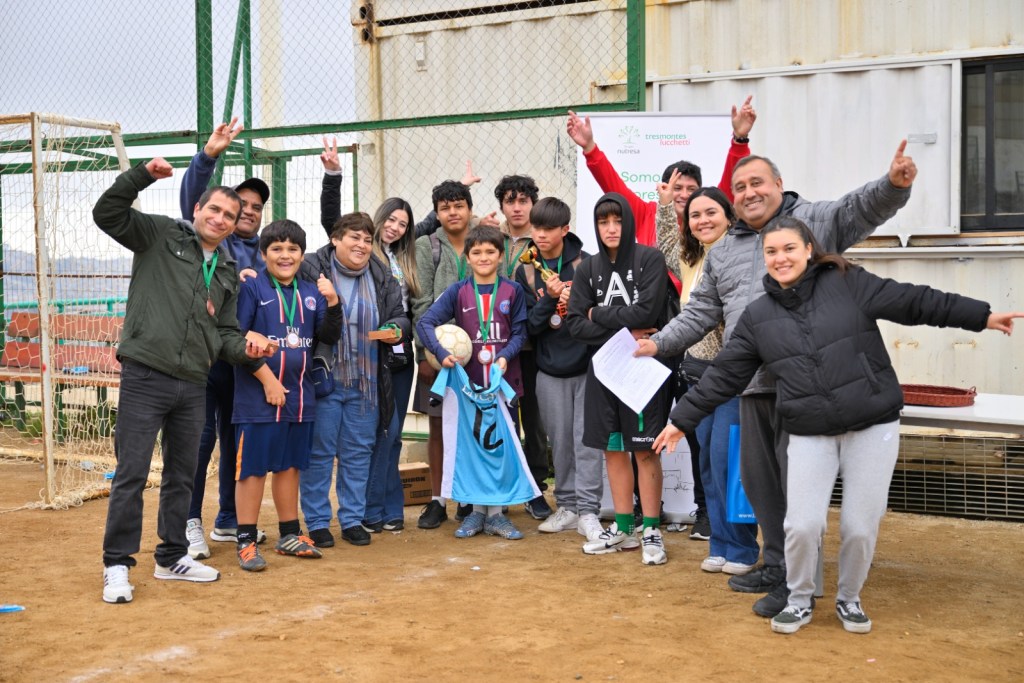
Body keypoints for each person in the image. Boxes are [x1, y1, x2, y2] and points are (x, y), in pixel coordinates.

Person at [653, 216, 1023, 634]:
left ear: (809, 249)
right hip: (809, 428)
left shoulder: (848, 282)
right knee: (802, 524)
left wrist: (982, 316)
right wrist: (681, 420)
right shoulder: (758, 317)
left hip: (871, 424)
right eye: (771, 252)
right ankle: (798, 598)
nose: (780, 258)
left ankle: (849, 598)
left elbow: (916, 301)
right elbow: (724, 375)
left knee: (859, 528)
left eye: (789, 248)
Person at [638, 141, 918, 617]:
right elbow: (702, 311)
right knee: (760, 485)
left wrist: (893, 185)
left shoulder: (813, 221)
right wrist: (659, 342)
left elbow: (859, 209)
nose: (749, 193)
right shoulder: (724, 251)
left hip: (801, 385)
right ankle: (775, 563)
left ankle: (800, 582)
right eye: (740, 186)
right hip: (750, 386)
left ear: (778, 186)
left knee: (798, 490)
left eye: (757, 183)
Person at [94, 158, 272, 604]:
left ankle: (172, 556)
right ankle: (117, 565)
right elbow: (106, 213)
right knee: (132, 473)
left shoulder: (228, 270)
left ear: (235, 226)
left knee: (182, 475)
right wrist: (143, 176)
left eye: (229, 216)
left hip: (193, 381)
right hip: (145, 373)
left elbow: (226, 334)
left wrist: (249, 348)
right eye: (214, 210)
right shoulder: (160, 235)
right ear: (197, 209)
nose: (220, 219)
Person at [179, 118, 273, 557]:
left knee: (237, 443)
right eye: (243, 204)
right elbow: (190, 198)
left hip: (241, 365)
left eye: (256, 206)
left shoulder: (269, 250)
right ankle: (188, 521)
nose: (249, 211)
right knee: (198, 443)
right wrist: (209, 154)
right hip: (204, 362)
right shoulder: (210, 241)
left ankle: (230, 520)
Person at [654, 184, 759, 570]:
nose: (702, 220)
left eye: (711, 212)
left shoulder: (746, 257)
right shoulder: (692, 258)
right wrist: (666, 207)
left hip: (731, 378)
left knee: (728, 464)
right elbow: (667, 241)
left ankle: (743, 549)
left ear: (729, 216)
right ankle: (721, 544)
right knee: (709, 467)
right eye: (695, 215)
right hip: (697, 379)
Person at [565, 193, 673, 566]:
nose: (611, 229)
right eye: (603, 222)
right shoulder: (586, 268)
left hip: (642, 371)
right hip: (604, 371)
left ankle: (652, 529)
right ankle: (624, 528)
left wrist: (597, 314)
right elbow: (575, 323)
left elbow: (649, 310)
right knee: (612, 448)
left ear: (628, 222)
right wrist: (622, 325)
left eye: (618, 221)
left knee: (644, 449)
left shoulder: (650, 259)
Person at [231, 220, 343, 571]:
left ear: (301, 254)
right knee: (252, 469)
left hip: (300, 395)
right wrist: (266, 380)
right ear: (264, 254)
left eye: (292, 249)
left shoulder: (310, 292)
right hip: (258, 397)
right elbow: (236, 338)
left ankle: (289, 533)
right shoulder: (251, 289)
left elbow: (328, 333)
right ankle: (246, 539)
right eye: (276, 249)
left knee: (290, 466)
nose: (285, 255)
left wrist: (334, 301)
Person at [565, 96, 757, 291]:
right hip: (654, 306)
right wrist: (590, 148)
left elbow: (730, 184)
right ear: (663, 189)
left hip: (700, 303)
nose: (683, 195)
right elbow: (612, 185)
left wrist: (739, 141)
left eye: (691, 189)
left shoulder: (707, 216)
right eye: (677, 188)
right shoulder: (647, 213)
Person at [297, 212, 408, 548]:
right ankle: (317, 522)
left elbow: (400, 315)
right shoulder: (311, 269)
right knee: (319, 452)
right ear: (335, 239)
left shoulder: (381, 275)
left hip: (368, 383)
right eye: (354, 238)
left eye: (366, 239)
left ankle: (351, 519)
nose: (361, 245)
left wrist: (396, 330)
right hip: (324, 380)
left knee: (359, 451)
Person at [416, 225, 531, 539]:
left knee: (501, 448)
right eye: (476, 252)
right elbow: (425, 322)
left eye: (490, 252)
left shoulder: (512, 291)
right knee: (472, 448)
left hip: (501, 382)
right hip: (467, 386)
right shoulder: (457, 292)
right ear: (467, 257)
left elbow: (520, 331)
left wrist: (506, 355)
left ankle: (497, 514)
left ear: (500, 255)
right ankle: (477, 514)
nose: (483, 257)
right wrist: (441, 353)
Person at [514, 198, 604, 540]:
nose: (540, 235)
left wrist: (575, 302)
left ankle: (590, 511)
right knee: (561, 442)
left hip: (587, 367)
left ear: (565, 229)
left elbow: (601, 317)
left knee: (587, 442)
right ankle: (566, 506)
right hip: (549, 369)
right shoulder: (525, 268)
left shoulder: (588, 265)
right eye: (536, 228)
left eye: (548, 229)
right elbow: (530, 327)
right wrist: (550, 299)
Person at [411, 180, 476, 529]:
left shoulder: (484, 240)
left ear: (469, 208)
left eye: (458, 205)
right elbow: (419, 300)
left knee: (471, 426)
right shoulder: (426, 246)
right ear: (436, 213)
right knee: (437, 426)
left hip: (477, 357)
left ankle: (468, 497)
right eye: (445, 207)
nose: (453, 212)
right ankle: (438, 499)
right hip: (437, 353)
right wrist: (425, 352)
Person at [491, 174, 552, 521]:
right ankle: (502, 487)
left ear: (533, 203)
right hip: (496, 349)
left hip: (533, 346)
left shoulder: (542, 238)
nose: (517, 207)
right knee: (502, 419)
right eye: (510, 201)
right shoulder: (489, 238)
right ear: (501, 205)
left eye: (523, 200)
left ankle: (536, 486)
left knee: (534, 418)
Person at [363, 197, 419, 533]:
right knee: (382, 431)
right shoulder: (366, 252)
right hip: (374, 355)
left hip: (402, 354)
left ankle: (390, 506)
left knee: (395, 435)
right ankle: (373, 507)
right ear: (380, 218)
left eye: (403, 224)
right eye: (392, 220)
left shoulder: (404, 256)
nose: (395, 228)